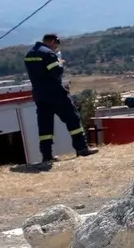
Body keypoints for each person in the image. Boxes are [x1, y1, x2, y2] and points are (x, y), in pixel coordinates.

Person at [23, 33, 95, 161]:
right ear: (51, 41)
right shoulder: (49, 54)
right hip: (55, 93)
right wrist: (59, 62)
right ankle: (82, 148)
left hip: (39, 94)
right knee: (72, 119)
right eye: (56, 43)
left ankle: (47, 155)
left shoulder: (29, 54)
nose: (56, 47)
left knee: (45, 125)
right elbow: (56, 72)